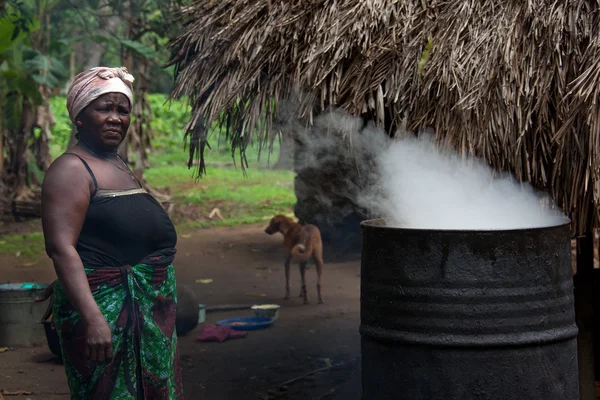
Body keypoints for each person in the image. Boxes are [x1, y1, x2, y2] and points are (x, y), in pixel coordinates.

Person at [40, 67, 183, 399]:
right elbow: (61, 247)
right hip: (107, 317)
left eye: (122, 110)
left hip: (147, 311)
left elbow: (99, 236)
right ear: (80, 116)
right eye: (104, 108)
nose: (115, 118)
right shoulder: (72, 169)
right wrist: (92, 316)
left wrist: (71, 281)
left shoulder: (118, 164)